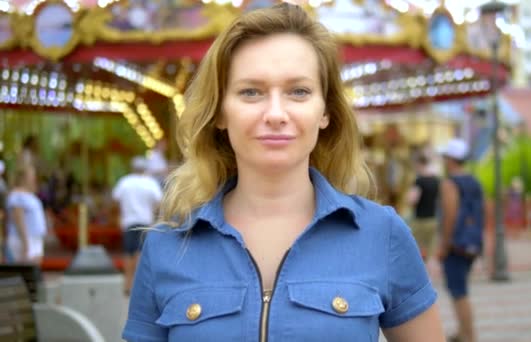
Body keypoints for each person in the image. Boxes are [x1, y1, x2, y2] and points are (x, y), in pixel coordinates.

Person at [122, 4, 444, 341]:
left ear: (325, 112)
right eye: (251, 92)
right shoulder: (166, 247)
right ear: (220, 112)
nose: (276, 113)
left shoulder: (382, 234)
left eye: (299, 92)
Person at [438, 138, 484, 342]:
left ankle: (469, 335)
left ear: (451, 160)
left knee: (459, 292)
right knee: (461, 287)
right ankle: (462, 331)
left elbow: (450, 215)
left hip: (456, 244)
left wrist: (444, 245)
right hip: (472, 243)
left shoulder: (450, 184)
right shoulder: (474, 181)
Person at [112, 156, 163, 295]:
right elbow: (159, 202)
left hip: (129, 221)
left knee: (128, 253)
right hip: (145, 222)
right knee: (141, 253)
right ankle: (139, 285)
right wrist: (153, 214)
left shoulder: (125, 182)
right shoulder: (150, 183)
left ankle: (127, 284)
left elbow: (115, 199)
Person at [5, 166, 48, 264]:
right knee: (26, 270)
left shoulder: (29, 194)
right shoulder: (16, 196)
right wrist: (25, 243)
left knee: (34, 270)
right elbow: (18, 220)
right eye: (31, 176)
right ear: (23, 178)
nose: (34, 178)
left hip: (34, 237)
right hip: (23, 239)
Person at [407, 153, 440, 262]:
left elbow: (412, 200)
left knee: (414, 248)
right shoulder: (436, 180)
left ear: (419, 164)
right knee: (431, 251)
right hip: (433, 219)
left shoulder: (419, 181)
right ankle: (430, 275)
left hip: (420, 219)